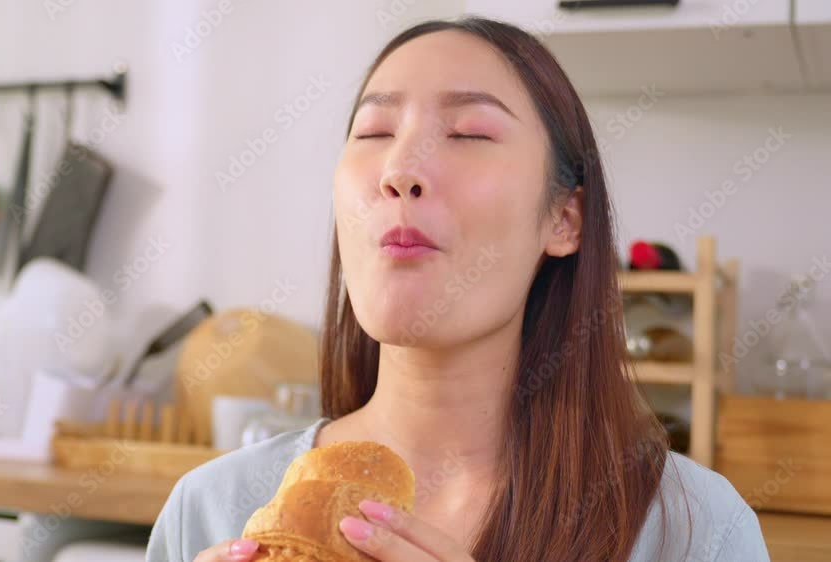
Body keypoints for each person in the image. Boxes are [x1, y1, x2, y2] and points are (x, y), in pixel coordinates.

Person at [147, 16, 769, 562]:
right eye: (373, 132)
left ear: (564, 220)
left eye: (469, 132)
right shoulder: (209, 511)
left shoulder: (695, 531)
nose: (399, 172)